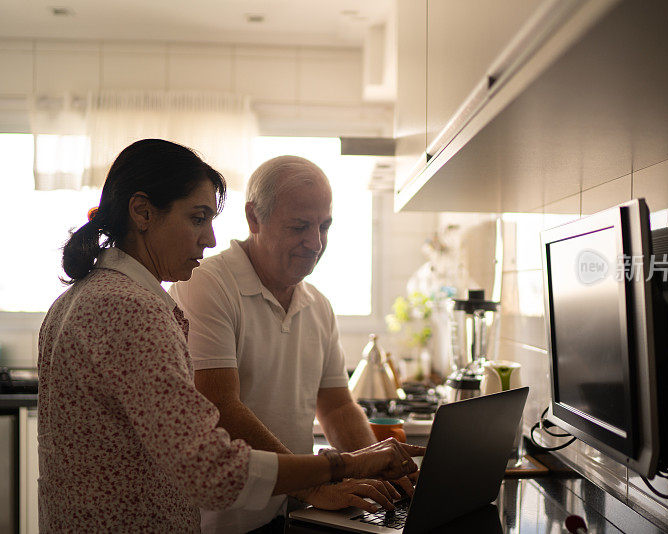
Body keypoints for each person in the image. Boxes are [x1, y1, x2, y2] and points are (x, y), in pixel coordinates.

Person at [37, 140, 423, 533]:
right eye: (197, 218)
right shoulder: (130, 308)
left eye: (323, 226)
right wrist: (344, 467)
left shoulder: (85, 297)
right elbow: (210, 467)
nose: (210, 238)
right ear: (142, 212)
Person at [169, 156, 413, 533]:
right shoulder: (206, 284)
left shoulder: (317, 305)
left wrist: (377, 466)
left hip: (291, 515)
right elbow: (219, 407)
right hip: (221, 521)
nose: (315, 243)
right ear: (254, 219)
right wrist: (314, 482)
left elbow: (337, 407)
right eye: (300, 226)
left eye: (324, 226)